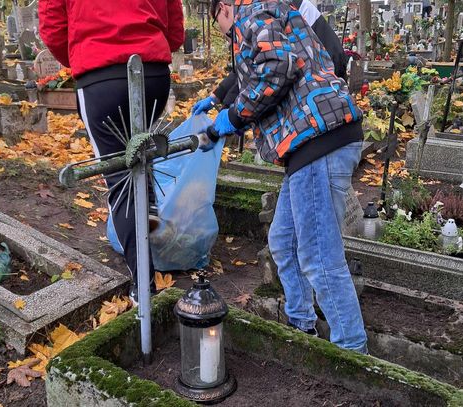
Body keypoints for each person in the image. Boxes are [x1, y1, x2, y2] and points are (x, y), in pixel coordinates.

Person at [208, 0, 368, 353]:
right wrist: (219, 100)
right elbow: (253, 69)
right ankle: (302, 326)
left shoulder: (250, 13)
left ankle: (354, 356)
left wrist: (234, 118)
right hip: (315, 140)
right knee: (284, 242)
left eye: (223, 31)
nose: (228, 37)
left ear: (223, 9)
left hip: (316, 139)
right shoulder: (270, 10)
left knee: (319, 257)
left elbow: (276, 64)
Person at [39, 0, 184, 303]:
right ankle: (153, 230)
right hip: (153, 73)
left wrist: (81, 53)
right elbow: (175, 27)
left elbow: (53, 28)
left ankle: (144, 286)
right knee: (143, 156)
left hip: (100, 77)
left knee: (121, 180)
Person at [193, 0, 349, 115]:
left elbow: (272, 67)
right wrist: (216, 97)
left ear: (223, 8)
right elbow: (256, 63)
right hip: (322, 79)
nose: (221, 30)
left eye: (216, 20)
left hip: (323, 85)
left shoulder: (256, 13)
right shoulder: (256, 9)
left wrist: (233, 115)